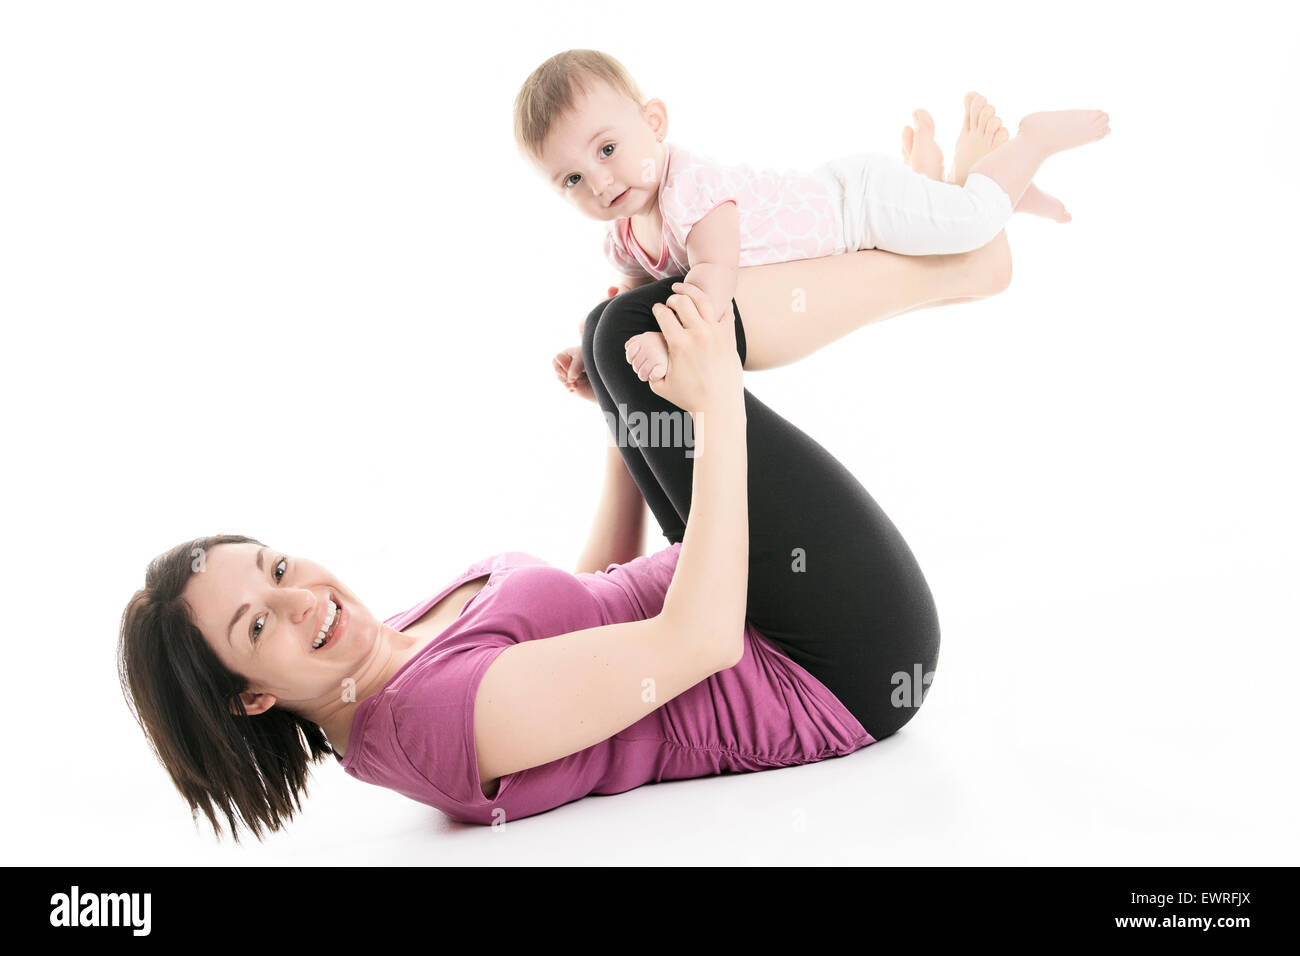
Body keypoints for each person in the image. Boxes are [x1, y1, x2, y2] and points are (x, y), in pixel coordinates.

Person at [117, 138, 1017, 843]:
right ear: (250, 699)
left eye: (275, 568)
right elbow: (696, 642)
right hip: (833, 667)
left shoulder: (389, 644)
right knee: (641, 329)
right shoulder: (427, 725)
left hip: (760, 600)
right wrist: (713, 413)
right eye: (259, 624)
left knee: (615, 339)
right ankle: (951, 261)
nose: (300, 596)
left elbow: (593, 593)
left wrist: (621, 427)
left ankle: (924, 234)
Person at [516, 48, 1107, 383]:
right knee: (950, 219)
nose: (600, 182)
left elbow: (711, 282)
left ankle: (1029, 143)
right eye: (572, 179)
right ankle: (977, 181)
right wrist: (594, 357)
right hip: (850, 224)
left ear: (654, 125)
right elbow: (632, 300)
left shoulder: (687, 185)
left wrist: (665, 346)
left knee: (971, 225)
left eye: (607, 149)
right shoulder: (623, 237)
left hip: (856, 205)